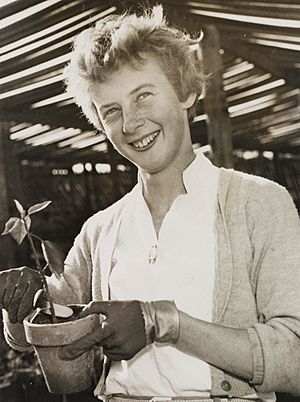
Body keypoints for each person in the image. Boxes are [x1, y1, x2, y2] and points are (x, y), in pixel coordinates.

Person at [1, 5, 300, 401]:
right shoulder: (100, 231)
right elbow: (47, 330)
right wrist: (20, 306)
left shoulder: (259, 204)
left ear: (187, 92)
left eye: (143, 96)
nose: (130, 123)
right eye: (111, 111)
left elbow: (294, 359)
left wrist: (165, 322)